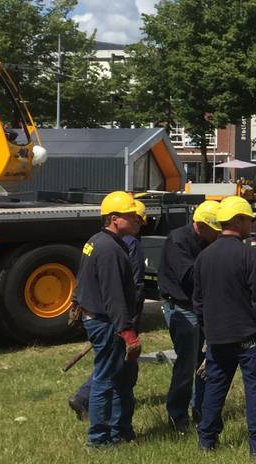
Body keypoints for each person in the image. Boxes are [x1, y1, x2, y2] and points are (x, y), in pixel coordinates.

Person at [194, 196, 256, 454]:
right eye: (249, 219)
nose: (252, 223)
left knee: (214, 390)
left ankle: (207, 442)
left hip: (218, 339)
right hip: (250, 339)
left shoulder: (203, 257)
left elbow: (197, 301)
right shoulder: (248, 255)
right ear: (238, 221)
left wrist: (210, 329)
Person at [72, 191, 146, 447]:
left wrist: (76, 303)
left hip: (101, 320)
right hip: (107, 323)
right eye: (130, 216)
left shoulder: (96, 241)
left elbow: (81, 278)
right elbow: (114, 295)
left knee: (119, 379)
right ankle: (99, 439)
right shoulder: (109, 249)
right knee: (106, 380)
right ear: (114, 218)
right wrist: (127, 332)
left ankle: (120, 432)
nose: (137, 219)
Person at [156, 199, 221, 431]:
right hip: (181, 308)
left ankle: (201, 409)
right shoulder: (178, 241)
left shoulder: (209, 241)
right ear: (200, 225)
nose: (218, 235)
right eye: (215, 231)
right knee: (187, 363)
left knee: (206, 362)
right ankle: (177, 416)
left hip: (201, 307)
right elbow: (190, 276)